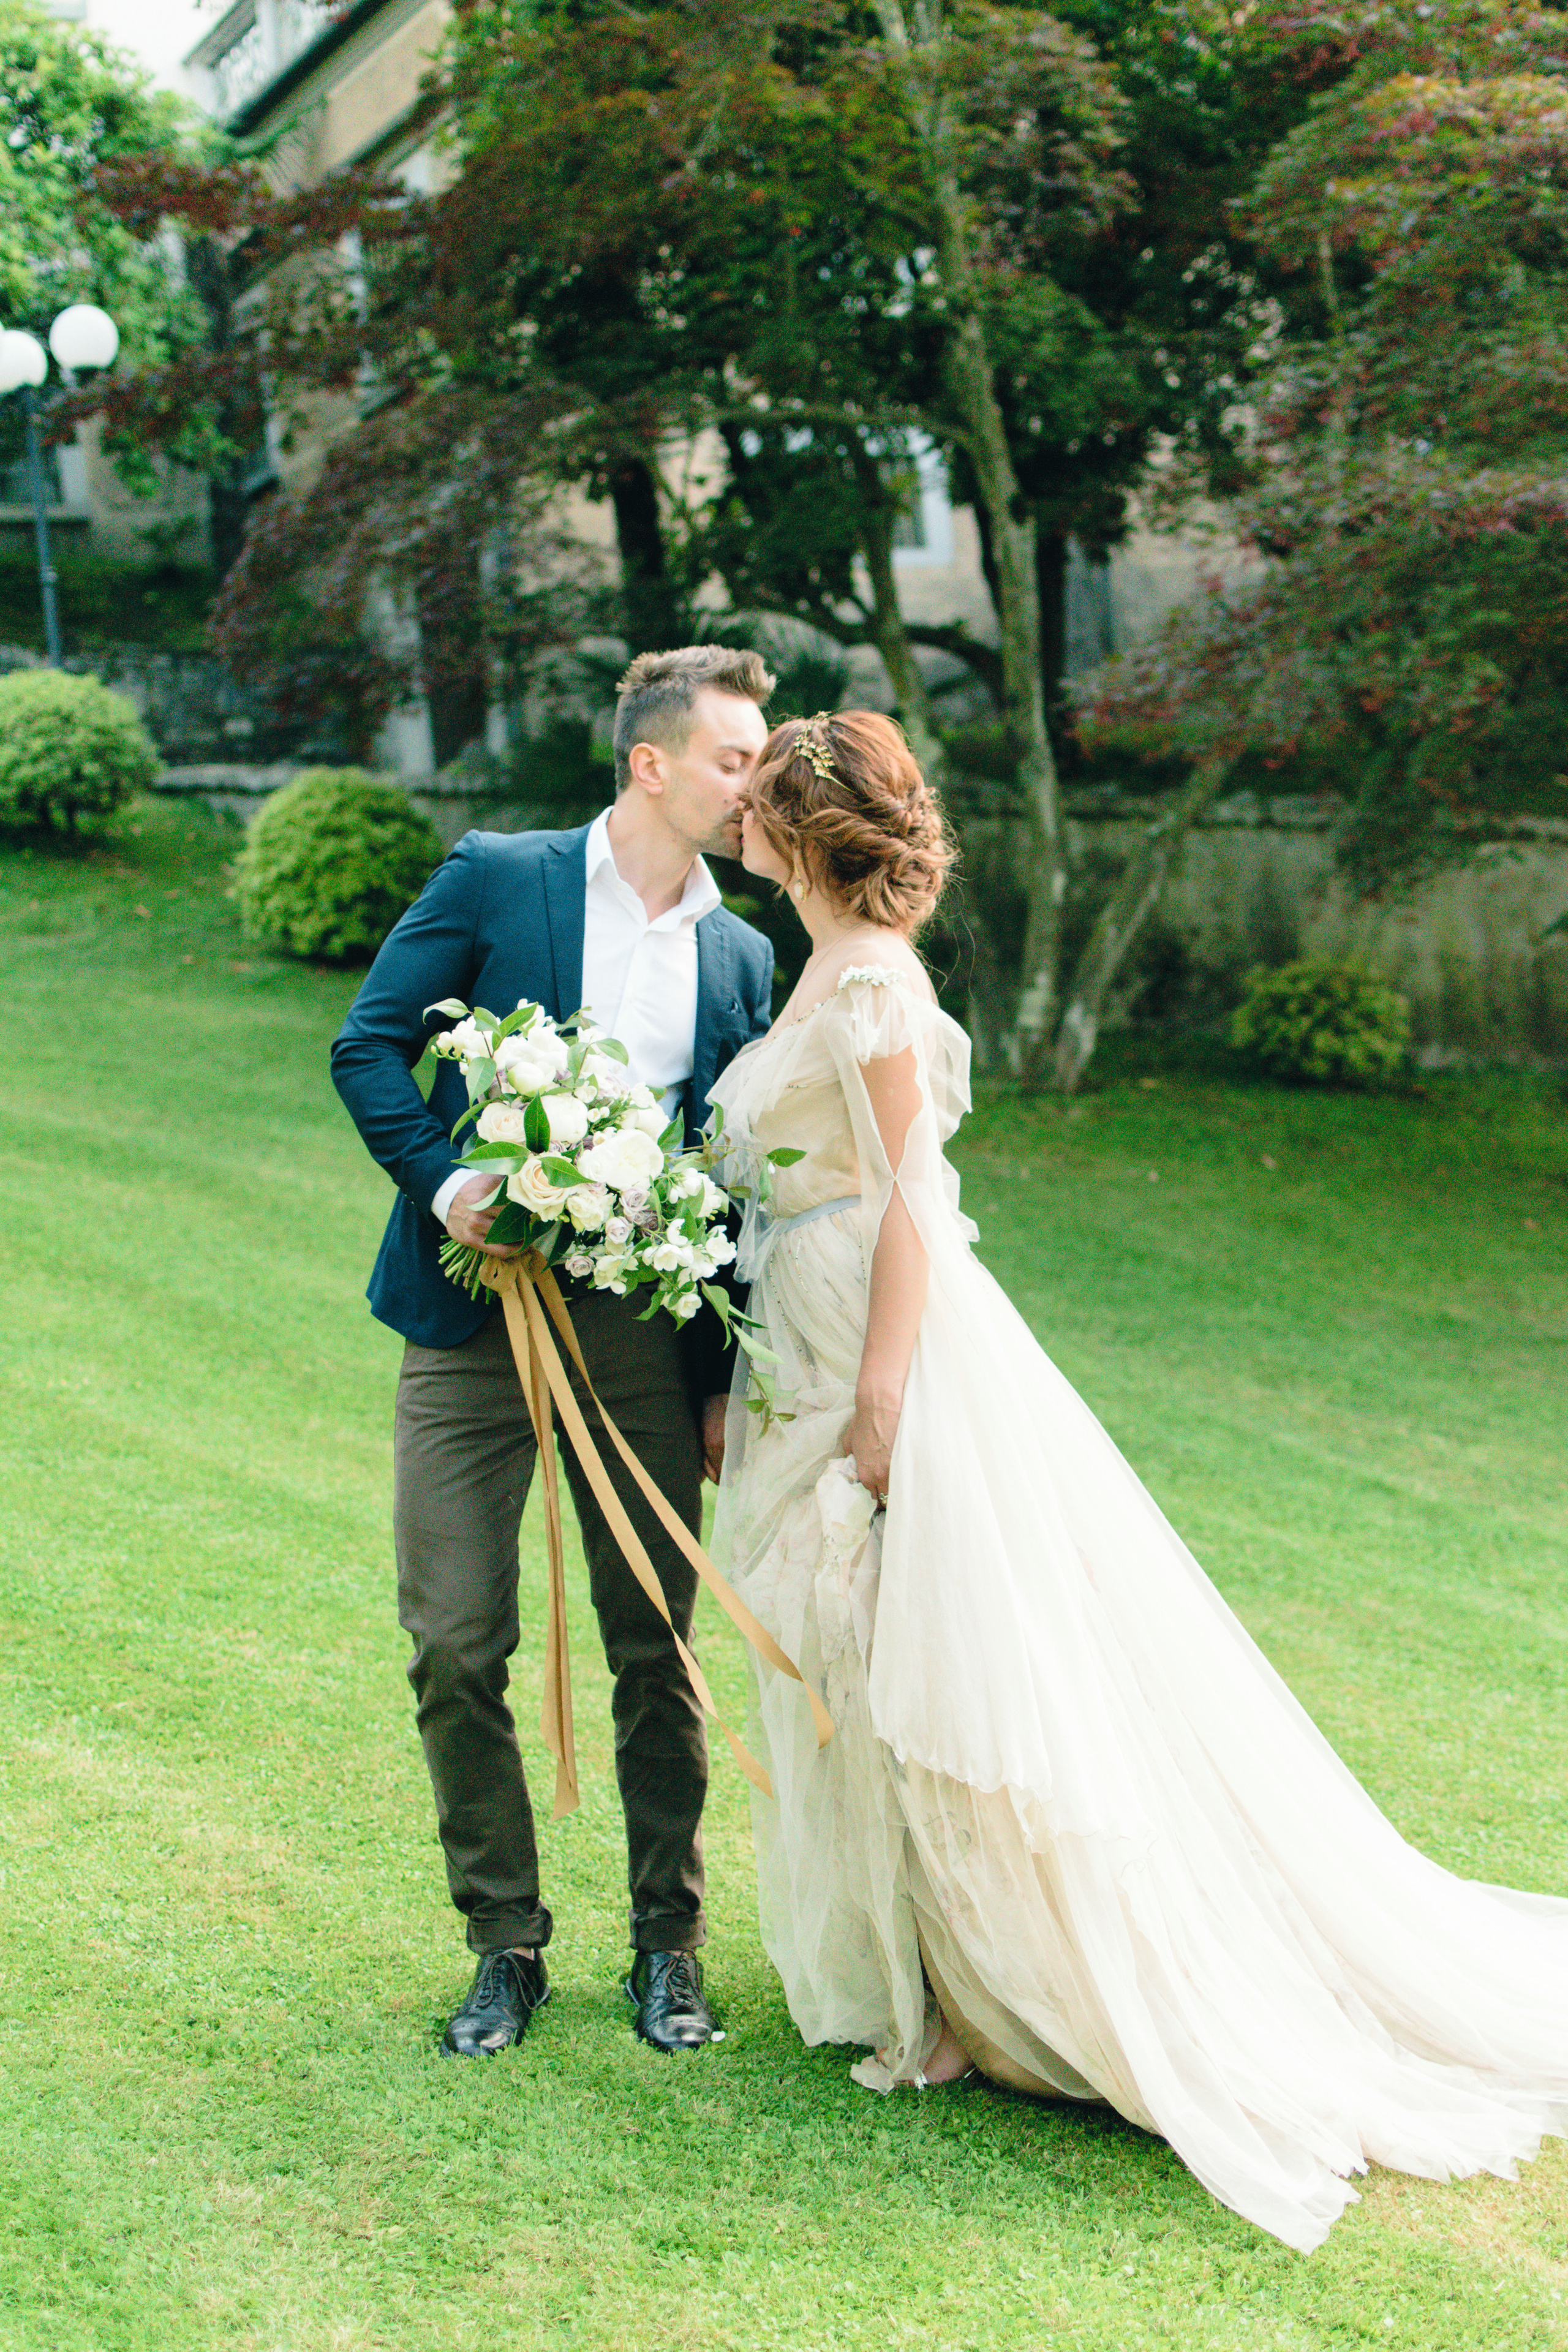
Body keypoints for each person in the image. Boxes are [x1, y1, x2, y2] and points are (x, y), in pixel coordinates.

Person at [709, 707, 1568, 2253]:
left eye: (753, 804)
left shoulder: (875, 987)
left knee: (926, 1647)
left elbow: (913, 1195)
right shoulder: (816, 969)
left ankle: (998, 1988)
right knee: (852, 1643)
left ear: (793, 830)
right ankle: (937, 1981)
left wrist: (884, 1394)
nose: (737, 824)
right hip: (801, 1332)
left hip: (879, 1343)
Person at [331, 646, 775, 2059]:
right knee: (453, 1639)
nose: (751, 780)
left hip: (642, 1329)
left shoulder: (742, 951)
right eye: (730, 757)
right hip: (472, 1311)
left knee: (657, 1643)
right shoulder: (495, 874)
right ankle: (503, 1945)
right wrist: (451, 1183)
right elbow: (367, 1047)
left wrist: (714, 1386)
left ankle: (670, 1949)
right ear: (651, 764)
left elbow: (734, 1188)